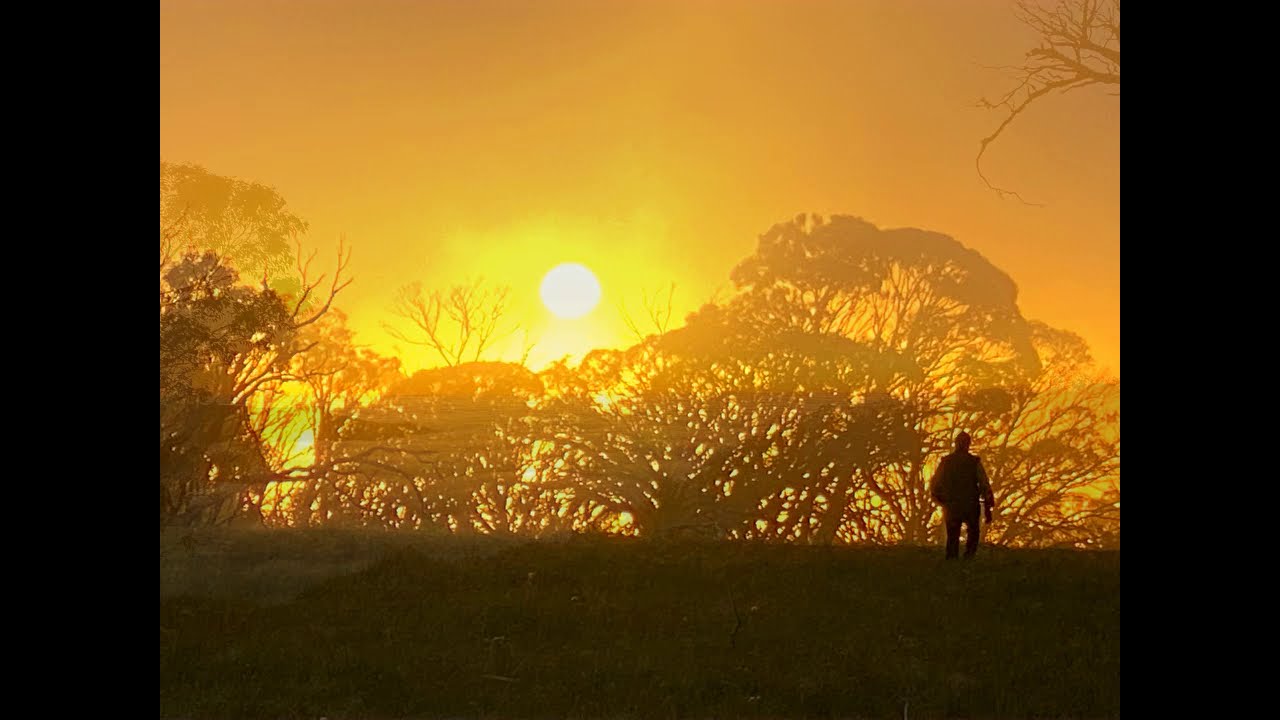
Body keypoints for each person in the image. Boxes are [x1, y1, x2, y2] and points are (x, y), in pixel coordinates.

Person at [930, 431, 996, 559]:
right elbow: (984, 485)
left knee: (953, 534)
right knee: (973, 532)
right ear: (968, 444)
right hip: (970, 504)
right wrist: (988, 506)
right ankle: (968, 557)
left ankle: (952, 560)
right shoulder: (974, 462)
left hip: (952, 505)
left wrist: (941, 500)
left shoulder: (946, 462)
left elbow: (935, 484)